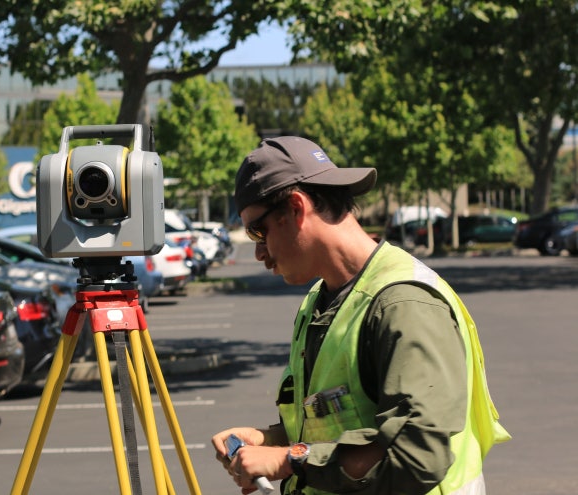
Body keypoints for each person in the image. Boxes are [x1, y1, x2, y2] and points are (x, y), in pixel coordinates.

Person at [211, 136, 510, 495]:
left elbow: (417, 456)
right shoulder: (320, 300)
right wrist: (269, 439)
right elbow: (339, 427)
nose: (259, 252)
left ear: (294, 208)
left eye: (258, 231)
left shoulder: (403, 304)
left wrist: (288, 460)